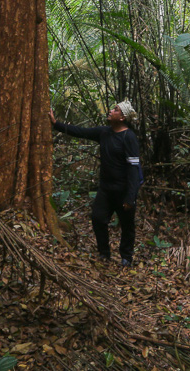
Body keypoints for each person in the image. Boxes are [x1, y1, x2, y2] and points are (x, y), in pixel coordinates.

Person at [49, 101, 142, 266]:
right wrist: (56, 124)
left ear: (122, 117)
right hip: (106, 189)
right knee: (98, 218)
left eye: (115, 109)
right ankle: (104, 253)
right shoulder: (104, 132)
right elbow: (81, 132)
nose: (111, 111)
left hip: (124, 190)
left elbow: (134, 169)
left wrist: (130, 196)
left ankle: (126, 257)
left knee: (127, 226)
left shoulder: (129, 137)